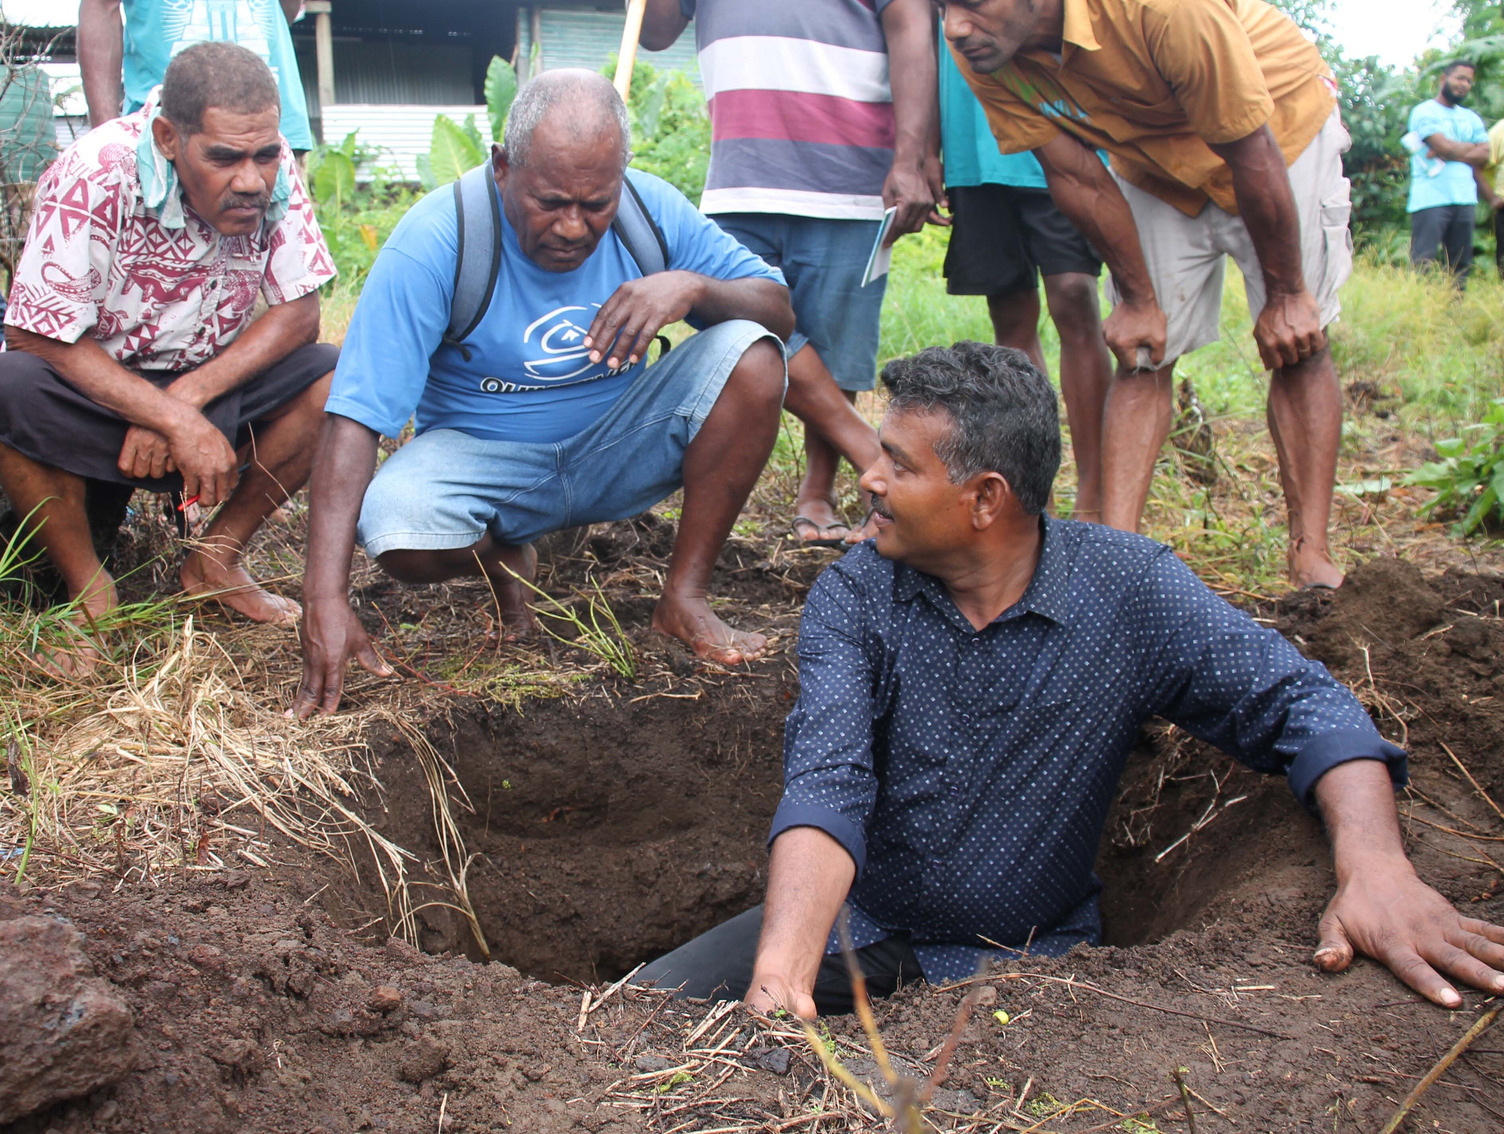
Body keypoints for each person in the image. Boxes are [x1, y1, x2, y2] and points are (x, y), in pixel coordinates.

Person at [636, 341, 1504, 1016]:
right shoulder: (858, 593)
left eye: (899, 463)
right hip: (854, 932)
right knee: (636, 1016)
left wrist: (1376, 868)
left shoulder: (1128, 591)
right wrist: (784, 974)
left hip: (1032, 968)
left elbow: (1302, 705)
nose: (868, 477)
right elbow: (828, 780)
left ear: (986, 500)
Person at [290, 70, 794, 717]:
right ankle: (505, 560)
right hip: (487, 460)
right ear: (502, 166)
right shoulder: (437, 240)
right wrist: (325, 597)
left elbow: (777, 311)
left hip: (618, 443)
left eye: (596, 203)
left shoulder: (649, 211)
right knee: (394, 526)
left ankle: (685, 599)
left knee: (753, 356)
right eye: (551, 201)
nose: (574, 228)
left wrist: (690, 287)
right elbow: (354, 417)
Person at [937, 0, 1352, 589]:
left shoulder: (1165, 9)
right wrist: (1136, 298)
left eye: (972, 2)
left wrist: (1286, 294)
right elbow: (1076, 172)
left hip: (1275, 133)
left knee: (1297, 342)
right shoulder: (983, 49)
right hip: (1152, 154)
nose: (954, 25)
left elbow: (1248, 146)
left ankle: (1311, 555)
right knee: (1139, 352)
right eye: (941, 6)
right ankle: (1115, 560)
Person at [0, 42, 337, 672]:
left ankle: (214, 560)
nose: (252, 180)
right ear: (167, 138)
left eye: (265, 155)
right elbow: (36, 334)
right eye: (225, 158)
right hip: (96, 384)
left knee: (338, 377)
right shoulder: (94, 172)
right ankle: (91, 591)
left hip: (207, 381)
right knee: (7, 384)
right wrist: (169, 418)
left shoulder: (270, 164)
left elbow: (300, 312)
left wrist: (186, 400)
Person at [640, 0, 940, 547]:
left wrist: (913, 156)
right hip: (740, 175)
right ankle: (865, 448)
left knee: (836, 345)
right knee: (736, 321)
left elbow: (912, 27)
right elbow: (654, 33)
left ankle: (817, 491)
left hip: (850, 178)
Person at [937, 33, 1112, 521]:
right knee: (1011, 317)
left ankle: (1095, 497)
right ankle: (1036, 497)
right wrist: (925, 149)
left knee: (1076, 296)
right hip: (973, 149)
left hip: (1066, 128)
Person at [78, 0, 315, 154]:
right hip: (167, 135)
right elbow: (100, 6)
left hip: (271, 129)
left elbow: (285, 9)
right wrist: (106, 139)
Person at [1405, 60, 1494, 286]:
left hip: (1465, 198)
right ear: (1444, 79)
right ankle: (1418, 313)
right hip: (1430, 198)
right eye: (1459, 78)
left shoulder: (1471, 117)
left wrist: (1450, 150)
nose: (1464, 84)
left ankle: (1452, 314)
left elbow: (1484, 154)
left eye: (1469, 81)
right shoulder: (1424, 111)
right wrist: (1464, 148)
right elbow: (1444, 147)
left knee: (1460, 264)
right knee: (1423, 260)